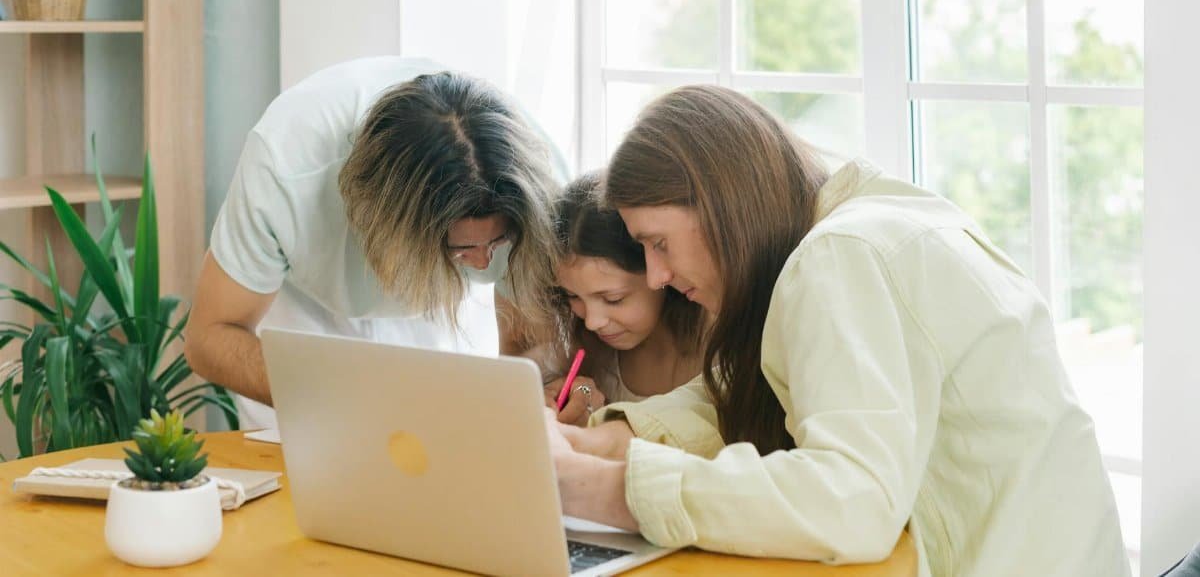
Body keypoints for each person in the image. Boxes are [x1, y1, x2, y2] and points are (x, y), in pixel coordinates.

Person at [545, 85, 1128, 577]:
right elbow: (756, 388)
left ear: (720, 204)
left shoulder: (841, 256)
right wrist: (595, 443)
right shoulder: (862, 222)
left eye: (659, 243)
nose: (658, 275)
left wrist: (597, 489)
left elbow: (852, 500)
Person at [184, 57, 562, 428]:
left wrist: (539, 394)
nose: (482, 264)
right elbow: (210, 337)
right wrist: (340, 398)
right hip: (305, 317)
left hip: (436, 313)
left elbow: (527, 345)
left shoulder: (534, 188)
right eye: (461, 250)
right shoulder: (285, 168)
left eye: (497, 243)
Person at [542, 172, 707, 427]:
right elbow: (585, 403)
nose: (592, 322)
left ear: (660, 273)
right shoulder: (590, 349)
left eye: (613, 299)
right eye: (572, 296)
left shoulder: (717, 350)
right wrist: (578, 397)